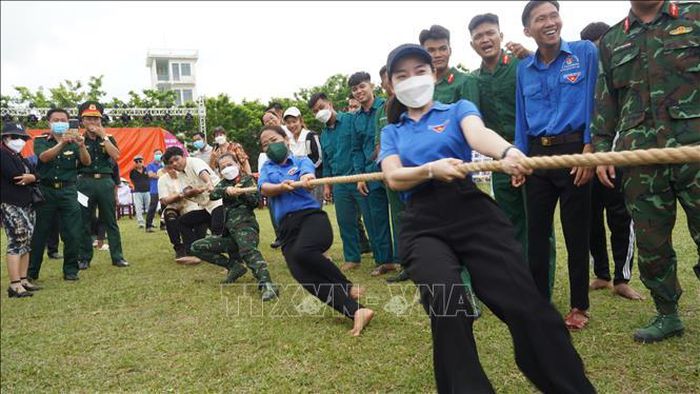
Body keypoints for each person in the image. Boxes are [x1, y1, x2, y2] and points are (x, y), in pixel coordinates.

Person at [379, 42, 594, 393]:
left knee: (525, 303)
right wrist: (431, 169)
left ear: (434, 74)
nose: (412, 80)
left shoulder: (457, 109)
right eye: (402, 75)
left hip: (471, 210)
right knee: (448, 304)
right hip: (422, 223)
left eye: (420, 71)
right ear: (391, 84)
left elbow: (479, 134)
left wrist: (508, 151)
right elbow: (393, 176)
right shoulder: (392, 131)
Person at [592, 0, 699, 343]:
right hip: (640, 157)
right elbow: (605, 100)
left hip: (694, 148)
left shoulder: (694, 15)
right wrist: (602, 150)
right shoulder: (611, 41)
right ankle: (667, 313)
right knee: (652, 242)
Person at [514, 0, 598, 330]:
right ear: (527, 30)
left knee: (576, 231)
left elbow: (595, 98)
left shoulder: (585, 52)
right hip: (536, 155)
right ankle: (537, 301)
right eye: (540, 19)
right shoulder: (524, 68)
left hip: (575, 151)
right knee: (537, 234)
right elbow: (522, 116)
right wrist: (520, 158)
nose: (550, 22)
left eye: (553, 15)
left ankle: (579, 305)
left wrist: (590, 148)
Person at [469, 12, 558, 295]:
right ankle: (522, 284)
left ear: (501, 36)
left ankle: (541, 286)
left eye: (490, 33)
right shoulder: (474, 80)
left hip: (531, 156)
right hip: (500, 162)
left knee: (538, 224)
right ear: (472, 44)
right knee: (510, 224)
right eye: (479, 37)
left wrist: (531, 51)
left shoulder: (522, 64)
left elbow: (549, 74)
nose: (485, 40)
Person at [258, 125, 374, 336]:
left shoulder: (301, 160)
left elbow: (308, 175)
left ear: (285, 139)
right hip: (286, 229)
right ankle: (356, 311)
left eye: (273, 139)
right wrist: (281, 187)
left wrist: (304, 180)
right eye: (265, 144)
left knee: (303, 252)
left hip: (312, 220)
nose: (270, 146)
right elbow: (264, 187)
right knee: (301, 273)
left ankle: (346, 286)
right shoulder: (267, 167)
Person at [579, 21, 643, 300]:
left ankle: (622, 278)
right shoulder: (581, 78)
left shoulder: (625, 72)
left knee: (621, 217)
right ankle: (602, 275)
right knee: (591, 218)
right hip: (587, 155)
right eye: (591, 50)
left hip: (618, 154)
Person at [191, 153, 278, 300]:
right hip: (229, 234)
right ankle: (234, 266)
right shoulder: (224, 183)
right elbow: (213, 194)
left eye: (229, 164)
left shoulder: (247, 180)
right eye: (223, 167)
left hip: (245, 229)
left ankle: (267, 284)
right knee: (196, 247)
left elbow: (255, 201)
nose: (227, 168)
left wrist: (240, 193)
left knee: (248, 251)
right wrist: (227, 191)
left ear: (238, 165)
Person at [308, 92, 370, 271]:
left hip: (359, 178)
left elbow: (361, 147)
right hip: (339, 184)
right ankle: (352, 258)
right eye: (315, 111)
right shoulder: (324, 134)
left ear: (330, 103)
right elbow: (326, 161)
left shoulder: (351, 120)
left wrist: (362, 174)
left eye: (321, 107)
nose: (319, 112)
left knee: (370, 219)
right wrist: (327, 184)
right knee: (345, 222)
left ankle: (384, 259)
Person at [28, 108, 91, 281]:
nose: (60, 122)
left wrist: (82, 145)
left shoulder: (75, 141)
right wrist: (62, 143)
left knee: (72, 232)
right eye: (56, 120)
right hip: (46, 191)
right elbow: (44, 158)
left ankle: (71, 270)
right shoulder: (41, 140)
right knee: (40, 232)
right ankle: (31, 272)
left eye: (63, 119)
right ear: (49, 122)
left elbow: (86, 162)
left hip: (68, 191)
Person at [349, 71, 396, 276]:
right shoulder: (355, 119)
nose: (359, 91)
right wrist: (360, 175)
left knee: (400, 215)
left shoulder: (388, 106)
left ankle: (407, 258)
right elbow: (356, 149)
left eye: (362, 86)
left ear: (372, 86)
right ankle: (385, 261)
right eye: (354, 89)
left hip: (393, 168)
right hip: (370, 174)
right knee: (375, 219)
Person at [76, 101, 129, 269]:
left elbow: (116, 156)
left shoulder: (108, 138)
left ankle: (117, 256)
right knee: (84, 220)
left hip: (106, 181)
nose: (92, 122)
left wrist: (103, 136)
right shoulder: (78, 139)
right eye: (88, 119)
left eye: (96, 118)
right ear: (82, 121)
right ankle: (84, 257)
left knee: (110, 220)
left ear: (101, 120)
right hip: (84, 182)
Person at [161, 146, 226, 262]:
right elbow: (186, 191)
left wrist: (208, 183)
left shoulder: (194, 162)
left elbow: (203, 173)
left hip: (218, 201)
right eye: (171, 162)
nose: (175, 163)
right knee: (182, 222)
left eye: (176, 159)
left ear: (183, 156)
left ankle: (230, 260)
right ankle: (194, 253)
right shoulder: (180, 175)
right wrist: (193, 191)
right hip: (205, 206)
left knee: (218, 230)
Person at [375, 66, 408, 283]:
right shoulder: (381, 111)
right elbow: (378, 142)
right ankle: (407, 265)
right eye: (385, 79)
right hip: (390, 174)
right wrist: (384, 167)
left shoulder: (410, 102)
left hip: (413, 172)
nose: (388, 82)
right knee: (399, 218)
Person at [1, 122, 40, 297]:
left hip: (27, 203)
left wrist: (32, 177)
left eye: (22, 138)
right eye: (15, 137)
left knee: (26, 241)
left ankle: (23, 279)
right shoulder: (3, 154)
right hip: (10, 202)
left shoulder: (19, 155)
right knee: (16, 241)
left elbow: (36, 175)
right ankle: (15, 284)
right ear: (5, 138)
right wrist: (31, 177)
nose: (20, 141)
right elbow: (14, 175)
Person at [419, 24, 479, 106]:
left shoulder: (465, 81)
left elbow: (473, 116)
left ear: (450, 51)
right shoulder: (420, 86)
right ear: (423, 54)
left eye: (443, 49)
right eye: (431, 50)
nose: (438, 55)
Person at [157, 163, 203, 262]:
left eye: (174, 168)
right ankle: (179, 247)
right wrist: (180, 195)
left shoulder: (186, 176)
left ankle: (198, 245)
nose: (173, 171)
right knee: (170, 215)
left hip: (192, 204)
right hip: (174, 206)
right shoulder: (162, 180)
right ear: (165, 169)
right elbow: (164, 200)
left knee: (200, 213)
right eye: (169, 168)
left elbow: (195, 191)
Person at [283, 106, 323, 204]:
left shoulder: (311, 135)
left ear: (300, 121)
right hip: (296, 183)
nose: (291, 125)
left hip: (312, 181)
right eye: (288, 122)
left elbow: (319, 159)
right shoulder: (288, 141)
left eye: (294, 121)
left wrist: (306, 171)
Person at [129, 154, 151, 228]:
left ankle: (150, 222)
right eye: (136, 161)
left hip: (147, 190)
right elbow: (131, 180)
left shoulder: (147, 169)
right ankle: (141, 223)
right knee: (138, 208)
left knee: (149, 207)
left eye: (140, 161)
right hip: (137, 191)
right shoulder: (132, 171)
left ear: (143, 161)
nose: (138, 163)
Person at [145, 149, 164, 232]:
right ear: (153, 155)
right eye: (157, 154)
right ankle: (148, 226)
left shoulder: (163, 165)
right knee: (152, 207)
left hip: (164, 189)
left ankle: (163, 224)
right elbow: (150, 174)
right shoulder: (150, 165)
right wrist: (161, 175)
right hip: (154, 189)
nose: (158, 155)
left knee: (164, 208)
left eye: (160, 153)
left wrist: (156, 175)